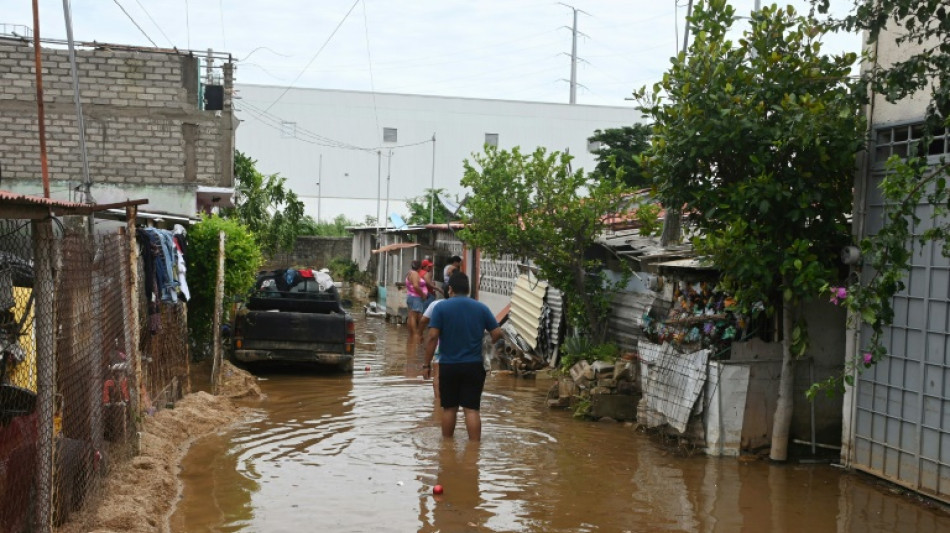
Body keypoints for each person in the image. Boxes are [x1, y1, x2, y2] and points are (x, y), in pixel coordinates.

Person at [423, 272, 501, 441]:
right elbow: (497, 332)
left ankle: (446, 448)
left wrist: (426, 364)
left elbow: (432, 337)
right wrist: (485, 346)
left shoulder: (440, 308)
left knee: (449, 409)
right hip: (474, 365)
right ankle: (474, 451)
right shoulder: (481, 308)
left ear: (450, 289)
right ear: (468, 289)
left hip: (449, 365)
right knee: (472, 410)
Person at [419, 283, 452, 402]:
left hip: (440, 342)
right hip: (461, 344)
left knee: (438, 373)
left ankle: (438, 403)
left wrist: (420, 334)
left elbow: (423, 321)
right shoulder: (469, 305)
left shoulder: (436, 304)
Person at [405, 259, 428, 342]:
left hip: (412, 296)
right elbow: (415, 286)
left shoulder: (410, 272)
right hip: (416, 297)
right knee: (414, 316)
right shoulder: (414, 274)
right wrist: (423, 295)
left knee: (411, 315)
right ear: (420, 267)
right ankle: (415, 335)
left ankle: (412, 335)